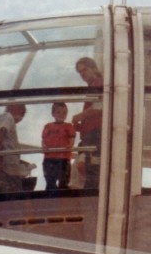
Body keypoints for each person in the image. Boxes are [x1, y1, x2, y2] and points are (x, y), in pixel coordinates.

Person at [71, 57, 104, 189]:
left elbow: (100, 105)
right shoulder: (93, 86)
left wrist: (80, 116)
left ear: (94, 68)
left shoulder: (98, 83)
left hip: (95, 135)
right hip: (90, 135)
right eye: (80, 72)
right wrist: (81, 126)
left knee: (91, 170)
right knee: (86, 168)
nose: (82, 74)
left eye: (84, 70)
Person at [0, 103, 27, 195]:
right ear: (12, 107)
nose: (23, 114)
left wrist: (19, 161)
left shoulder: (8, 120)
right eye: (22, 111)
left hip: (2, 166)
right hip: (5, 168)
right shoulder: (7, 117)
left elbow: (6, 143)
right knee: (15, 195)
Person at [41, 102, 75, 190]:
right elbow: (43, 139)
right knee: (50, 182)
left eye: (64, 112)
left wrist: (70, 145)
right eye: (58, 112)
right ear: (53, 113)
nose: (61, 115)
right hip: (49, 158)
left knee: (63, 182)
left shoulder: (68, 126)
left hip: (63, 158)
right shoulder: (48, 126)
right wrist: (43, 146)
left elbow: (71, 138)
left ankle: (63, 195)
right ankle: (51, 196)